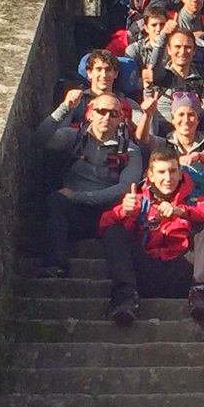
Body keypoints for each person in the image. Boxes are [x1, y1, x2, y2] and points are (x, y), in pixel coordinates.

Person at [98, 146, 204, 324]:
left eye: (173, 171)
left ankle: (200, 292)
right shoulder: (138, 200)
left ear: (180, 174)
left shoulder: (194, 199)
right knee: (114, 230)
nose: (168, 178)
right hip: (146, 271)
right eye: (162, 172)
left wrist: (182, 211)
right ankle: (125, 297)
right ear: (151, 175)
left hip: (183, 272)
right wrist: (123, 212)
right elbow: (103, 226)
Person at [33, 92, 143, 278]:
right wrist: (65, 108)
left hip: (107, 214)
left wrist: (78, 196)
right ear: (90, 113)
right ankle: (55, 265)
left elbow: (126, 187)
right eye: (101, 111)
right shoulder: (73, 137)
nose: (106, 117)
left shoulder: (130, 150)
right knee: (54, 201)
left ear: (120, 119)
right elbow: (40, 140)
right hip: (73, 211)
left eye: (113, 113)